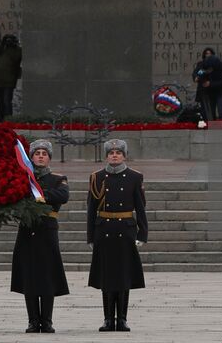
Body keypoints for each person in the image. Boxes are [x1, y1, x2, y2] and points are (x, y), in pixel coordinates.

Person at [87, 139, 147, 332]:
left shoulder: (134, 177)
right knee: (106, 276)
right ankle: (107, 319)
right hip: (104, 230)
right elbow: (91, 209)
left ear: (124, 156)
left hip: (125, 230)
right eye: (111, 153)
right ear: (106, 156)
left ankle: (121, 319)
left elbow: (140, 207)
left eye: (118, 153)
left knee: (123, 276)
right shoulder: (97, 177)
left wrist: (142, 233)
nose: (114, 155)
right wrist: (90, 236)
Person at [12, 139, 70, 333]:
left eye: (44, 154)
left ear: (49, 158)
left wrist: (39, 194)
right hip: (27, 230)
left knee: (47, 277)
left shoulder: (58, 178)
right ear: (31, 157)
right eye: (37, 154)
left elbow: (63, 196)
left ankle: (46, 321)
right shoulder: (23, 178)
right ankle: (32, 320)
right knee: (29, 277)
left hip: (47, 231)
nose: (40, 157)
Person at [192, 48, 222, 121]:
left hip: (220, 92)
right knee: (211, 112)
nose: (209, 70)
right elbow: (200, 71)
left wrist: (210, 84)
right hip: (210, 92)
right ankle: (212, 125)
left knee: (221, 110)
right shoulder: (204, 65)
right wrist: (197, 76)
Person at [0, 33, 22, 122]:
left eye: (10, 40)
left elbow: (16, 59)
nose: (8, 42)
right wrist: (2, 43)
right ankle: (0, 120)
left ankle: (8, 120)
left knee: (7, 101)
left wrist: (13, 45)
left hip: (9, 81)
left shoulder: (17, 49)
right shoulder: (2, 47)